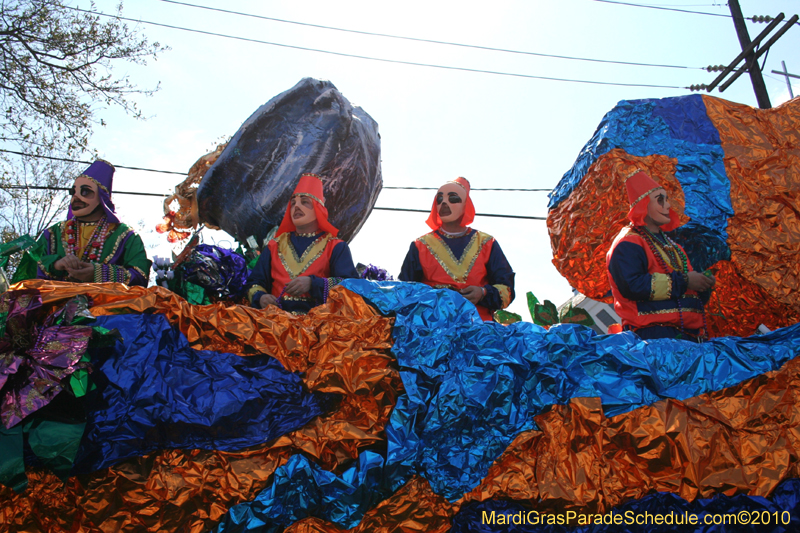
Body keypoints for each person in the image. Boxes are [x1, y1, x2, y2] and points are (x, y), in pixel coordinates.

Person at [606, 170, 715, 341]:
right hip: (655, 336)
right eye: (660, 200)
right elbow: (632, 285)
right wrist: (685, 281)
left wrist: (703, 284)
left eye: (667, 199)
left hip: (692, 335)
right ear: (643, 205)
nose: (668, 206)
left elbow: (689, 288)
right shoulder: (628, 243)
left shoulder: (674, 246)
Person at [14, 160, 151, 286]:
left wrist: (99, 273)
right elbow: (27, 271)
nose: (76, 197)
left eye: (85, 191)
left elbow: (140, 277)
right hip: (54, 306)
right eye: (73, 192)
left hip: (107, 307)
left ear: (102, 197)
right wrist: (56, 264)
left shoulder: (125, 235)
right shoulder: (53, 233)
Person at [399, 177, 515, 321]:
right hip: (431, 332)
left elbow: (507, 291)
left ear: (466, 204)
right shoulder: (420, 245)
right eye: (439, 199)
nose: (444, 203)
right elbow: (404, 292)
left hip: (478, 332)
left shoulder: (487, 243)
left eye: (453, 198)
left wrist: (483, 293)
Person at [245, 173, 359, 314]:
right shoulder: (274, 246)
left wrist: (314, 284)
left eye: (304, 202)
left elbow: (351, 286)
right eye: (293, 203)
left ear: (318, 207)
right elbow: (255, 282)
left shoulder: (335, 247)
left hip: (320, 327)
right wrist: (260, 297)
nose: (296, 207)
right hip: (274, 325)